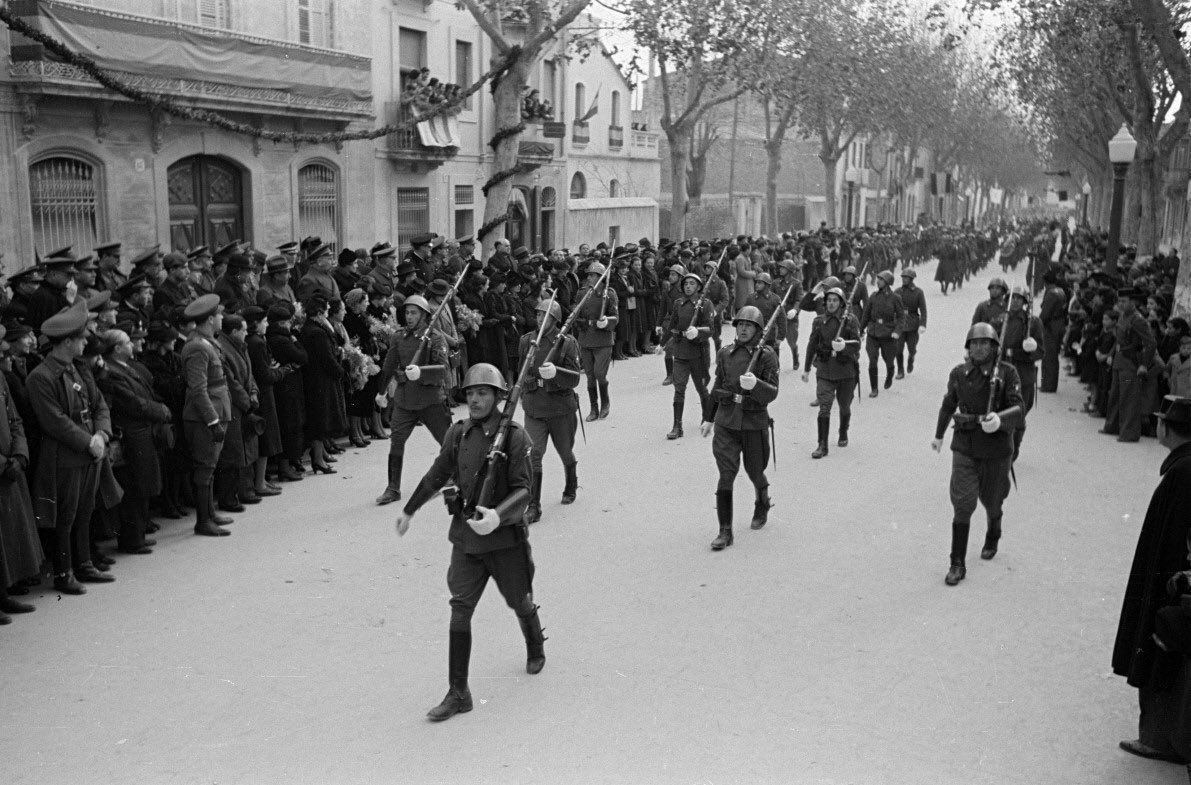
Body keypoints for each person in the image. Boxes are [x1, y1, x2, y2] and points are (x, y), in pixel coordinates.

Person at [395, 363, 543, 722]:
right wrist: (410, 510)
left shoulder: (516, 437)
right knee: (460, 607)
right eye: (471, 393)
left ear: (497, 397)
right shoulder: (458, 433)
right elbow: (437, 475)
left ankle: (534, 640)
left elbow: (525, 490)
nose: (475, 400)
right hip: (466, 539)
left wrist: (499, 516)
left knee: (518, 599)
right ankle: (458, 692)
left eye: (483, 393)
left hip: (504, 540)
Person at [1112, 395, 1191, 766]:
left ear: (1166, 428)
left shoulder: (1181, 473)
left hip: (1170, 583)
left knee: (1160, 654)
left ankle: (1159, 740)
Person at [28, 301, 114, 593]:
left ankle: (85, 564)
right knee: (66, 516)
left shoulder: (75, 368)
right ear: (66, 342)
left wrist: (101, 434)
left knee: (85, 510)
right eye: (81, 338)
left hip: (91, 450)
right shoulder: (40, 376)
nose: (86, 341)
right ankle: (64, 573)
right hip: (67, 455)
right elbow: (54, 420)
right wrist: (88, 441)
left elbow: (98, 402)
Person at [931, 322, 1024, 586]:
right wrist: (939, 435)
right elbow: (949, 403)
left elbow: (1019, 408)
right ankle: (957, 563)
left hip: (996, 449)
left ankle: (994, 528)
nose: (979, 347)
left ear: (995, 347)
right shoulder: (959, 373)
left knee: (992, 500)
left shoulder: (1007, 373)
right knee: (963, 503)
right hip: (966, 444)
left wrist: (1000, 419)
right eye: (974, 343)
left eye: (985, 343)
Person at [700, 306, 779, 551]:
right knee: (726, 474)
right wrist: (709, 417)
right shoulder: (725, 354)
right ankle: (725, 531)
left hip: (753, 422)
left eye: (749, 326)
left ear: (758, 330)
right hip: (726, 421)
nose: (743, 329)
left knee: (755, 471)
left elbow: (773, 392)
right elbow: (718, 386)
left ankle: (762, 500)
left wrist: (756, 385)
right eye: (740, 325)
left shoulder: (766, 356)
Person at [96, 326, 172, 554]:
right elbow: (132, 402)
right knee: (135, 487)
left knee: (142, 485)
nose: (132, 345)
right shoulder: (111, 373)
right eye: (128, 342)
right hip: (133, 434)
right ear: (117, 348)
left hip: (142, 433)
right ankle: (132, 539)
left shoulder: (124, 367)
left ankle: (138, 533)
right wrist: (160, 410)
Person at [375, 295, 451, 505]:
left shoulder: (436, 338)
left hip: (431, 401)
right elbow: (389, 365)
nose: (409, 317)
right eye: (407, 312)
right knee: (396, 441)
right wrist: (381, 392)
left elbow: (443, 369)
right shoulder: (399, 337)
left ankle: (456, 477)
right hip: (405, 400)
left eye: (414, 313)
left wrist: (422, 372)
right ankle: (392, 488)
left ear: (425, 316)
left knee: (447, 441)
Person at [518, 298, 582, 522]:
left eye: (544, 316)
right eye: (537, 315)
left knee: (565, 451)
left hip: (560, 409)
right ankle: (533, 506)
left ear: (555, 320)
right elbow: (520, 372)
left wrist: (556, 373)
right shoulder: (527, 341)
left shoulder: (566, 343)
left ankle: (571, 481)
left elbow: (574, 378)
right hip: (535, 408)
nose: (539, 319)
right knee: (533, 455)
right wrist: (528, 384)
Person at [181, 294, 234, 537]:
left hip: (215, 410)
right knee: (204, 468)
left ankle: (209, 514)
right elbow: (198, 389)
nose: (222, 318)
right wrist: (212, 420)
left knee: (210, 466)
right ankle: (203, 521)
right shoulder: (197, 347)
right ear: (210, 319)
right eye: (219, 315)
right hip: (204, 417)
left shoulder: (207, 342)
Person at [0, 324, 42, 622]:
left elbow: (15, 420)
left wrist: (19, 453)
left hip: (10, 466)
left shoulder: (1, 379)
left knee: (10, 535)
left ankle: (5, 592)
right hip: (2, 467)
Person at [802, 287, 860, 458]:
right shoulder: (819, 321)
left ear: (841, 303)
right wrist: (806, 369)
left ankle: (843, 431)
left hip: (845, 371)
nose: (831, 303)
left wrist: (845, 346)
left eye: (835, 300)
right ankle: (822, 445)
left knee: (844, 406)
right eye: (829, 300)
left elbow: (857, 344)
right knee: (824, 408)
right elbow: (812, 345)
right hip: (825, 369)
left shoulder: (850, 320)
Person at [1103, 289, 1158, 443]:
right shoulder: (1122, 316)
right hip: (1119, 361)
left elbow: (1151, 343)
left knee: (1128, 399)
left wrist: (1144, 365)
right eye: (1119, 301)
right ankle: (1112, 426)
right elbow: (1118, 340)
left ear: (1132, 302)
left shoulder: (1138, 320)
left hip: (1130, 363)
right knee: (1114, 395)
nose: (1120, 304)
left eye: (1124, 301)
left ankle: (1129, 433)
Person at [665, 272, 714, 439]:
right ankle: (677, 426)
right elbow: (672, 325)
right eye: (686, 283)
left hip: (698, 353)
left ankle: (707, 417)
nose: (688, 286)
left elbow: (710, 329)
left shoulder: (706, 304)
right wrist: (664, 342)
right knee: (679, 389)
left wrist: (697, 331)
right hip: (680, 352)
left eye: (692, 283)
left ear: (699, 287)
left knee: (701, 388)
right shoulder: (678, 303)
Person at [1001, 287, 1044, 462]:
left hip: (1023, 373)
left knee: (1019, 413)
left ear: (1025, 303)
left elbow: (1041, 351)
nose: (1015, 301)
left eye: (1019, 298)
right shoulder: (1001, 320)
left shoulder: (1032, 323)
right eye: (1012, 298)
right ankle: (1004, 447)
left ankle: (1014, 447)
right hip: (1003, 372)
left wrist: (1030, 348)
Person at [573, 262, 618, 422]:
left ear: (601, 277)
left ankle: (605, 403)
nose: (589, 278)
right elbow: (575, 314)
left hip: (603, 339)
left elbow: (615, 317)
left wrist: (606, 321)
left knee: (600, 374)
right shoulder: (582, 293)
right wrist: (580, 323)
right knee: (590, 376)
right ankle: (594, 408)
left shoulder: (609, 294)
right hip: (586, 338)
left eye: (592, 275)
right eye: (589, 275)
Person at [859, 270, 905, 397]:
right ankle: (874, 388)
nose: (878, 281)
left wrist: (897, 332)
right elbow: (866, 315)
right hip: (873, 333)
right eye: (878, 279)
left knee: (889, 360)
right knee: (872, 360)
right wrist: (860, 330)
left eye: (881, 279)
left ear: (888, 282)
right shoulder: (873, 296)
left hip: (888, 334)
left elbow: (901, 317)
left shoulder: (896, 298)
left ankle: (891, 372)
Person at [1038, 268, 1067, 393]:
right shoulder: (1060, 291)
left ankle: (1048, 385)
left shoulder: (1050, 293)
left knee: (1049, 356)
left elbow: (1045, 314)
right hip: (1059, 324)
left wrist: (1038, 324)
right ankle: (1050, 383)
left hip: (1051, 327)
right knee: (1053, 356)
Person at [895, 268, 927, 377]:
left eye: (906, 278)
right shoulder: (897, 292)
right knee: (898, 349)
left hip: (913, 323)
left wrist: (923, 324)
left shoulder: (918, 292)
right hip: (899, 324)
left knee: (911, 348)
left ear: (911, 279)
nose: (904, 279)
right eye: (903, 277)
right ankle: (900, 370)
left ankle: (911, 358)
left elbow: (923, 310)